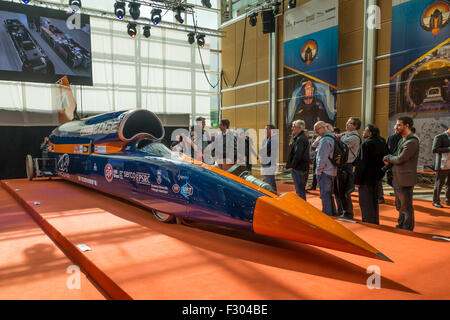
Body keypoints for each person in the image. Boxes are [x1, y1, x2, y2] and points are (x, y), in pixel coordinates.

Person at [383, 116, 420, 231]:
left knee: (406, 205)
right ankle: (402, 223)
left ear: (406, 126)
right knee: (399, 205)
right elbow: (397, 156)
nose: (395, 127)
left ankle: (407, 226)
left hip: (405, 178)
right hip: (398, 176)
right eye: (396, 124)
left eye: (399, 125)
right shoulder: (402, 140)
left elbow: (400, 159)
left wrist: (388, 157)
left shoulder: (412, 142)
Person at [354, 124, 388, 224]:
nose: (363, 132)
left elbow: (361, 163)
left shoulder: (366, 144)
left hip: (366, 177)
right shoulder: (382, 142)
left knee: (365, 201)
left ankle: (367, 221)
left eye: (365, 130)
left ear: (370, 132)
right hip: (377, 176)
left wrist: (357, 180)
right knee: (374, 200)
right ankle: (374, 220)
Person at [335, 117, 361, 219]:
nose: (347, 124)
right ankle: (342, 210)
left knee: (345, 191)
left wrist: (338, 138)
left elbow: (342, 142)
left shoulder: (354, 137)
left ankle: (348, 212)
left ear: (355, 126)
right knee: (339, 190)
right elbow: (336, 137)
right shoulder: (346, 134)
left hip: (347, 166)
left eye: (350, 123)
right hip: (341, 165)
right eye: (347, 122)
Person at [314, 121, 337, 216]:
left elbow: (322, 158)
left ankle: (327, 214)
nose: (316, 132)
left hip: (325, 171)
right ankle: (332, 212)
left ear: (324, 127)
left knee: (325, 195)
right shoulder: (333, 137)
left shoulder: (325, 140)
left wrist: (318, 172)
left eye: (317, 129)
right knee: (329, 194)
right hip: (332, 170)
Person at [286, 120, 310, 200]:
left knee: (299, 190)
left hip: (298, 168)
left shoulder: (300, 139)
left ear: (299, 128)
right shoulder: (300, 138)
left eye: (294, 126)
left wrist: (293, 166)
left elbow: (298, 154)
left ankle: (302, 208)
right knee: (300, 190)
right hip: (300, 167)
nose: (292, 128)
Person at [431, 126, 450, 208]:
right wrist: (449, 148)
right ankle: (435, 201)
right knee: (439, 183)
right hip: (443, 164)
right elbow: (434, 149)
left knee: (449, 184)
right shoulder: (439, 137)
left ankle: (448, 200)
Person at [260, 125, 279, 193]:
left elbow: (262, 151)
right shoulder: (268, 139)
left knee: (270, 183)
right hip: (268, 163)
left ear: (272, 130)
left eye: (266, 129)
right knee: (269, 181)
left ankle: (274, 198)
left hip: (269, 164)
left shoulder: (273, 139)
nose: (265, 131)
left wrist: (261, 151)